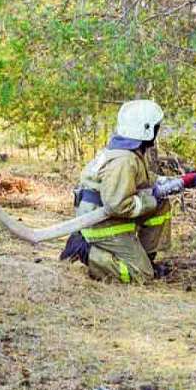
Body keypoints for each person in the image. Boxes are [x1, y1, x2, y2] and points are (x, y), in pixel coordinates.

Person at [60, 100, 174, 284]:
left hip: (103, 217)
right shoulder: (124, 160)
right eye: (156, 127)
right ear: (146, 130)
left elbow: (139, 179)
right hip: (101, 223)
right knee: (141, 274)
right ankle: (86, 252)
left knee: (161, 205)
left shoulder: (125, 153)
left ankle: (145, 259)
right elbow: (116, 205)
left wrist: (167, 182)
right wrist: (150, 200)